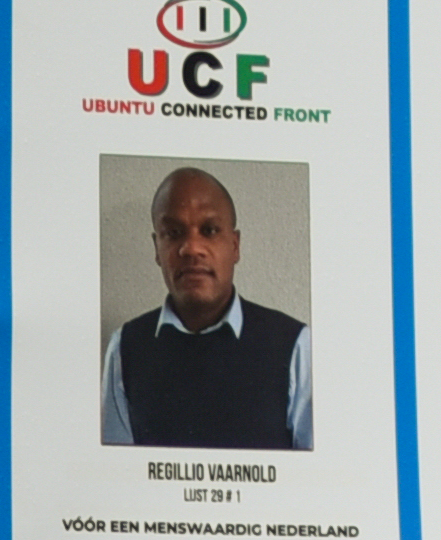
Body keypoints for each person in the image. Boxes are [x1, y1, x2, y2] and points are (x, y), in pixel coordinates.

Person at [95, 164, 311, 449]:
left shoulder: (295, 346)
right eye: (173, 233)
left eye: (209, 230)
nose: (192, 248)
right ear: (156, 248)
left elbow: (312, 482)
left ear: (234, 246)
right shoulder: (125, 349)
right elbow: (119, 478)